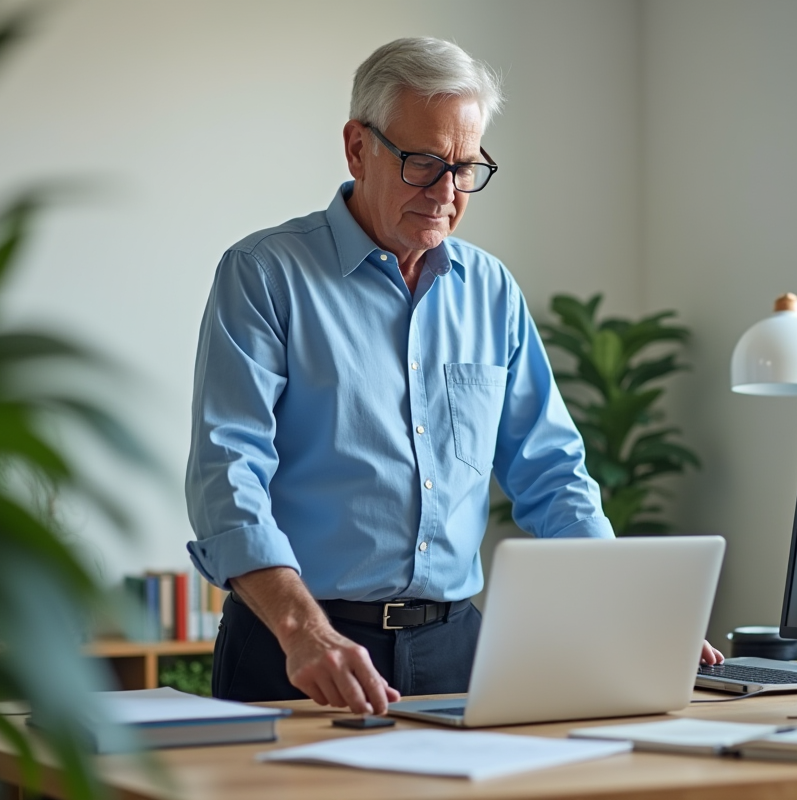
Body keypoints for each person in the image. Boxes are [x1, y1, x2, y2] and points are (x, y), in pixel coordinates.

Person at [185, 37, 721, 716]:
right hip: (299, 650)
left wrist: (631, 617)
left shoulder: (490, 290)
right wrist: (302, 631)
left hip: (456, 651)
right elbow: (226, 473)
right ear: (357, 148)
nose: (446, 193)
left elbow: (552, 472)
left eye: (466, 169)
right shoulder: (265, 275)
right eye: (422, 163)